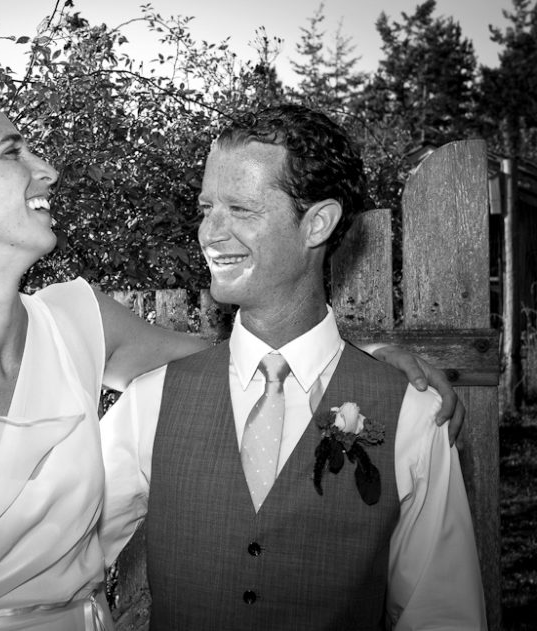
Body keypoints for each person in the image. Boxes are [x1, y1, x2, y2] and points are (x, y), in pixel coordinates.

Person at [0, 88, 462, 631]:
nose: (47, 169)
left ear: (318, 221)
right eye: (11, 152)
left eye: (240, 208)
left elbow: (241, 364)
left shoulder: (77, 322)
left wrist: (360, 360)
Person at [99, 104, 486, 630]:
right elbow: (47, 559)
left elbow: (443, 616)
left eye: (240, 209)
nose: (210, 233)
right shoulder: (150, 403)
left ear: (317, 223)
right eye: (206, 207)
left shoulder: (414, 414)